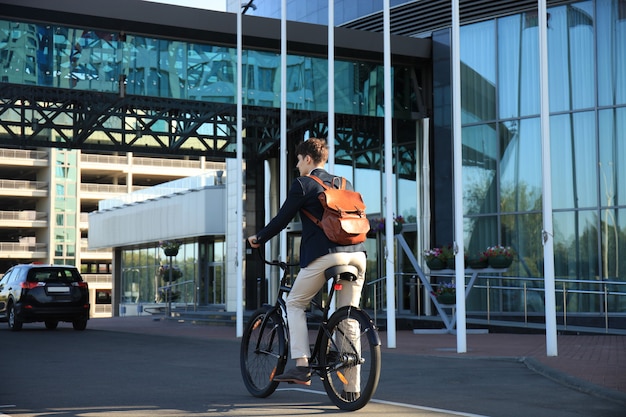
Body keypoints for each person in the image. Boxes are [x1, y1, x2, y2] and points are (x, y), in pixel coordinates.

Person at [248, 138, 366, 394]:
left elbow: (281, 220)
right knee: (348, 316)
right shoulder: (345, 183)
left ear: (308, 159)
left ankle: (301, 364)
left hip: (326, 256)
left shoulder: (303, 184)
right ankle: (353, 390)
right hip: (357, 256)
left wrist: (258, 238)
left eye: (298, 161)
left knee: (295, 303)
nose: (297, 166)